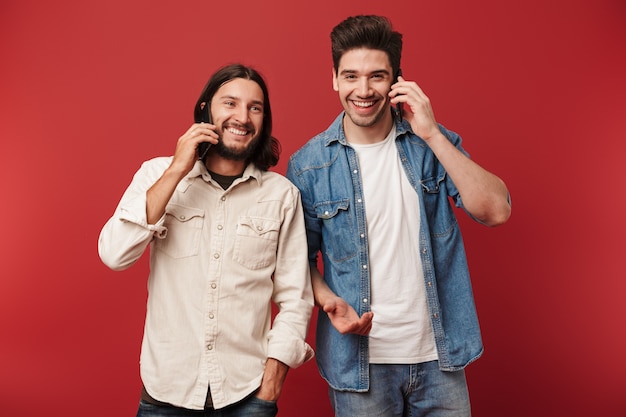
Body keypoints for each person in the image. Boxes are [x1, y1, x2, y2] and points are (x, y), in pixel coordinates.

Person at [286, 15, 511, 417]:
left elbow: (495, 211)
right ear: (334, 79)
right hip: (360, 367)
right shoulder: (309, 166)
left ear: (396, 81)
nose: (363, 90)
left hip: (439, 358)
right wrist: (329, 300)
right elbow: (294, 260)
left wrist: (433, 134)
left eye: (377, 76)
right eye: (351, 76)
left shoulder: (431, 145)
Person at [98, 63, 314, 417]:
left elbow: (296, 298)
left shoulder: (282, 195)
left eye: (254, 107)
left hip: (246, 395)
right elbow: (114, 254)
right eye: (229, 103)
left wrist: (270, 387)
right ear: (205, 111)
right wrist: (177, 170)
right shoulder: (156, 174)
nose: (242, 117)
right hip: (166, 393)